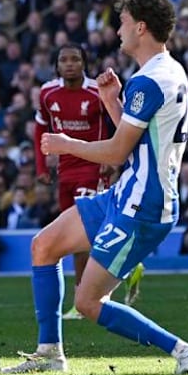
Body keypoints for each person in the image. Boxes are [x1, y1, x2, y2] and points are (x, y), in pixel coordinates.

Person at [3, 0, 188, 375]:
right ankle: (49, 354)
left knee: (88, 302)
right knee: (44, 246)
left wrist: (66, 144)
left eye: (122, 22)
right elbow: (138, 142)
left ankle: (184, 350)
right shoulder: (167, 71)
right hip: (127, 193)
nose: (117, 30)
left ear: (140, 27)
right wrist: (112, 102)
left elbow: (117, 153)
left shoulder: (149, 81)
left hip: (143, 205)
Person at [34, 43, 146, 320]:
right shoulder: (47, 93)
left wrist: (113, 158)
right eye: (64, 60)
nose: (69, 64)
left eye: (75, 59)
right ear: (56, 65)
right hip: (65, 170)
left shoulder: (96, 92)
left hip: (93, 167)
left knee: (83, 235)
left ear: (84, 63)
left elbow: (117, 125)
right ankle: (127, 264)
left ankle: (82, 298)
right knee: (80, 233)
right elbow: (41, 127)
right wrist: (41, 165)